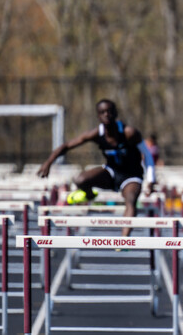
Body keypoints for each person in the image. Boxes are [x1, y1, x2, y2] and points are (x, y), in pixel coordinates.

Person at [38, 99, 156, 236]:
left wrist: (151, 179)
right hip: (111, 173)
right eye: (102, 112)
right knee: (79, 179)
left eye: (109, 111)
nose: (106, 115)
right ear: (98, 116)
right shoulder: (96, 134)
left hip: (131, 176)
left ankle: (124, 240)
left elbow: (147, 155)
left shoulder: (129, 133)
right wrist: (48, 162)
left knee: (130, 200)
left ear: (115, 113)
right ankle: (89, 194)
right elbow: (67, 146)